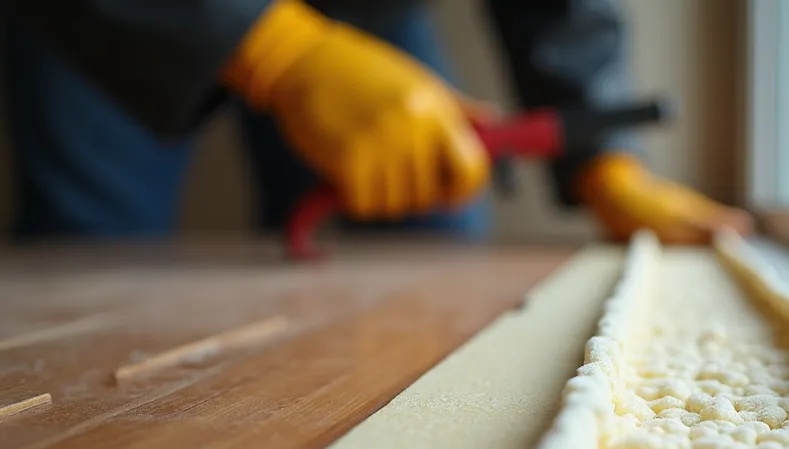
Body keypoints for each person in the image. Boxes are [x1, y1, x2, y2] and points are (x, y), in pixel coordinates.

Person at [6, 0, 751, 244]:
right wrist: (277, 51)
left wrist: (602, 158)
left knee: (429, 264)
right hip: (112, 24)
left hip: (363, 12)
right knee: (91, 266)